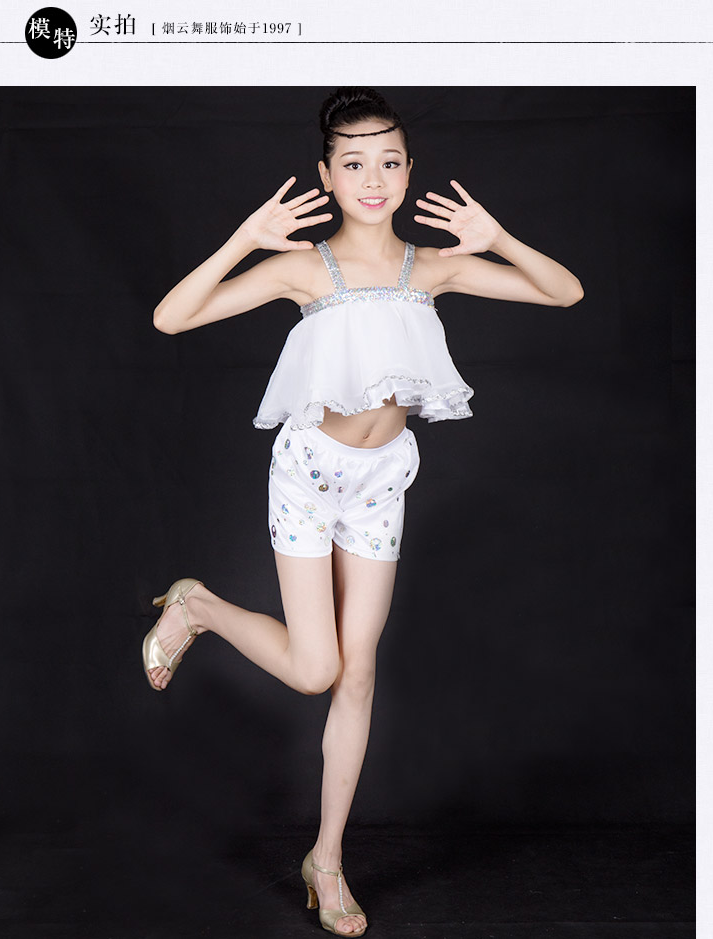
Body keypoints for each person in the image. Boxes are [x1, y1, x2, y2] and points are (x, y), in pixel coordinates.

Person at [141, 87, 584, 937]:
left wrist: (497, 239)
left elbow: (564, 292)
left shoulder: (432, 267)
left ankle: (328, 858)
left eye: (388, 161)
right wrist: (245, 239)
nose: (372, 179)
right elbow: (171, 316)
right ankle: (196, 607)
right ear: (326, 175)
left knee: (358, 673)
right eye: (353, 163)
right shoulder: (307, 269)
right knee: (316, 668)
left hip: (383, 480)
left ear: (409, 171)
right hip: (310, 476)